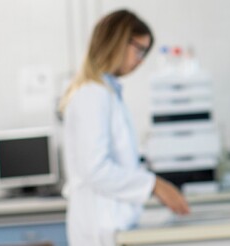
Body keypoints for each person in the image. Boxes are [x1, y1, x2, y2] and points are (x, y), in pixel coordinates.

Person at [58, 9, 190, 246]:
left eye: (144, 53)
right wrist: (154, 185)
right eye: (138, 50)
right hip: (98, 229)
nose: (140, 60)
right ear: (116, 41)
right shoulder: (92, 94)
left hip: (110, 224)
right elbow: (95, 169)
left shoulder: (107, 93)